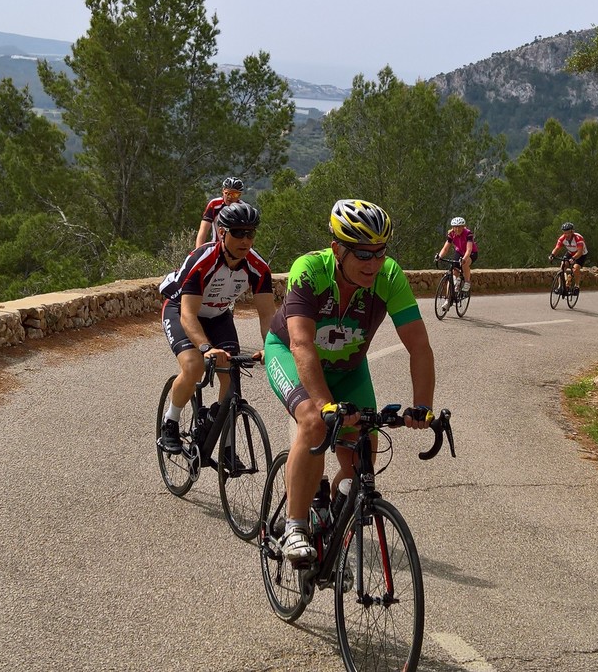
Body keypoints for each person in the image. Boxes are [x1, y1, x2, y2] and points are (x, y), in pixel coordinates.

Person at [263, 199, 435, 562]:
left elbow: (419, 346)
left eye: (380, 252)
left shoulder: (389, 276)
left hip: (349, 368)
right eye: (362, 254)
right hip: (290, 354)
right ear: (337, 249)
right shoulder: (310, 270)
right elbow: (301, 344)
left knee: (363, 457)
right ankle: (295, 526)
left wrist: (422, 405)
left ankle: (332, 510)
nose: (373, 263)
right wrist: (325, 405)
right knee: (314, 422)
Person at [158, 201, 275, 454]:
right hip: (181, 309)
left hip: (218, 314)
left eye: (250, 233)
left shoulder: (258, 268)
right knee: (194, 366)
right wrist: (205, 348)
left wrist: (270, 347)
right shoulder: (202, 260)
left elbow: (267, 314)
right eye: (238, 233)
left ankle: (224, 443)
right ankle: (170, 421)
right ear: (222, 232)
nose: (245, 240)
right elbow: (188, 315)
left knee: (231, 380)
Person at [195, 177, 245, 249]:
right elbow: (203, 230)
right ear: (223, 191)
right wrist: (198, 251)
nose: (229, 197)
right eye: (227, 193)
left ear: (239, 195)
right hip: (216, 247)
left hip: (235, 248)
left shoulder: (243, 208)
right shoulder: (214, 204)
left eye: (234, 194)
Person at [435, 216, 478, 298]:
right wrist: (439, 256)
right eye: (455, 227)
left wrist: (464, 259)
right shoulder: (451, 234)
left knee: (464, 264)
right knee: (454, 271)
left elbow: (469, 250)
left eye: (459, 227)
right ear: (453, 227)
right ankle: (449, 298)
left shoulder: (468, 233)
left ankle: (467, 282)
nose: (457, 229)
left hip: (471, 253)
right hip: (459, 252)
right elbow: (445, 248)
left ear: (463, 227)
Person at [549, 222, 588, 291]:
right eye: (565, 233)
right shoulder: (562, 238)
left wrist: (573, 258)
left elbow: (580, 252)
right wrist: (552, 255)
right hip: (570, 252)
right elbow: (557, 248)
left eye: (568, 233)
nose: (566, 235)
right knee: (562, 266)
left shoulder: (578, 238)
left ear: (572, 232)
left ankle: (577, 286)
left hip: (581, 254)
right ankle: (560, 286)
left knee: (576, 269)